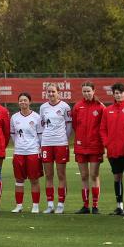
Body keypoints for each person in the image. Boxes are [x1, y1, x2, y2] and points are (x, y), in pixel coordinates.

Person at [101, 83, 124, 216]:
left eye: (120, 92)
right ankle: (119, 206)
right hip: (113, 150)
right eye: (115, 93)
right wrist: (107, 143)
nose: (117, 95)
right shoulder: (108, 110)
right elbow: (103, 129)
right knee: (116, 177)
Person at [72, 82, 105, 214]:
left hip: (95, 146)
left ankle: (95, 205)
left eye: (88, 91)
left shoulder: (100, 107)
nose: (86, 93)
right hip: (81, 146)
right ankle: (85, 206)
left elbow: (103, 126)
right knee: (84, 176)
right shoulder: (77, 106)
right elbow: (75, 125)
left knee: (94, 175)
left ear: (94, 91)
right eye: (84, 91)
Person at [39, 84, 72, 214]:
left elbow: (69, 126)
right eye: (49, 92)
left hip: (60, 143)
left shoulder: (65, 106)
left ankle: (61, 205)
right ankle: (50, 204)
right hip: (47, 144)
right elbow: (42, 126)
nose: (51, 94)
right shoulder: (43, 107)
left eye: (53, 91)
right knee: (49, 175)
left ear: (58, 92)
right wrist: (43, 142)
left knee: (61, 175)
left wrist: (64, 138)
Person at [10, 92, 43, 213]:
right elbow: (13, 134)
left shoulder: (36, 117)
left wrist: (37, 148)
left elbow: (40, 135)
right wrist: (19, 145)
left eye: (25, 100)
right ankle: (19, 205)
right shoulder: (14, 117)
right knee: (19, 180)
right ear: (18, 102)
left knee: (34, 179)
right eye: (20, 100)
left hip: (33, 152)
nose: (23, 102)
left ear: (30, 102)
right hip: (19, 152)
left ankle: (35, 205)